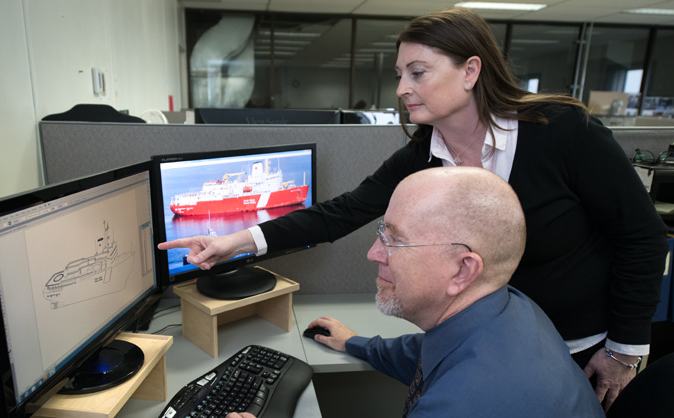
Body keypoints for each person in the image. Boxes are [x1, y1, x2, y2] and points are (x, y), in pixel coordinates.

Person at [159, 7, 668, 410]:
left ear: (471, 71)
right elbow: (342, 212)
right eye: (401, 73)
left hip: (577, 345)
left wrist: (625, 350)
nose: (402, 88)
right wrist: (236, 241)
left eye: (418, 72)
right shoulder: (426, 154)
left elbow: (641, 237)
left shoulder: (563, 134)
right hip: (485, 341)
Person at [230, 167, 606, 418]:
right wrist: (355, 343)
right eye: (381, 234)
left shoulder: (462, 405)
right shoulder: (512, 310)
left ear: (463, 270)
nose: (373, 253)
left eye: (395, 241)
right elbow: (430, 353)